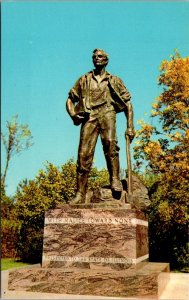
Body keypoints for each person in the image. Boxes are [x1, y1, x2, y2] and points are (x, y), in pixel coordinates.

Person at [66, 48, 135, 204]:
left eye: (100, 56)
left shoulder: (114, 80)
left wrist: (130, 126)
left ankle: (115, 179)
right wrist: (73, 114)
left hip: (107, 113)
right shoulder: (84, 79)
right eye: (94, 57)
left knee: (111, 144)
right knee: (83, 154)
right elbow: (70, 100)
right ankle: (80, 193)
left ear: (106, 60)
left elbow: (128, 104)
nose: (96, 58)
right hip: (89, 116)